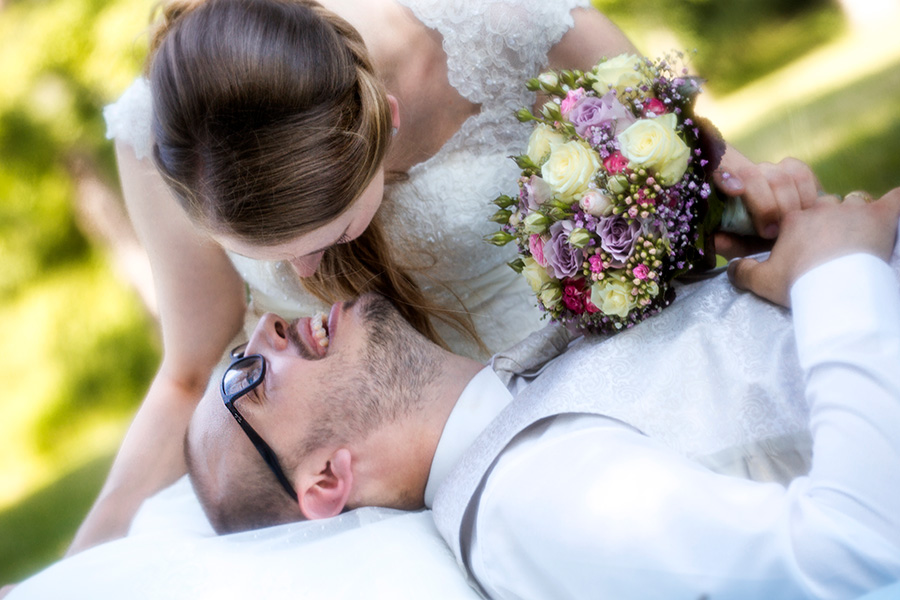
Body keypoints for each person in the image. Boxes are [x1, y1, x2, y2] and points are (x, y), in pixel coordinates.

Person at [75, 0, 822, 557]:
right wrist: (85, 559)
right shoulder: (169, 142)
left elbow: (693, 188)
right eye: (267, 254)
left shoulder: (498, 18)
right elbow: (190, 371)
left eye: (327, 237)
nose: (303, 279)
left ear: (387, 120)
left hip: (612, 399)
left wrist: (775, 218)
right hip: (399, 484)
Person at [185, 190, 900, 598]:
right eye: (244, 381)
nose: (268, 327)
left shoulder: (524, 413)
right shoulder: (526, 505)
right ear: (326, 478)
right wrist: (835, 274)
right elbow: (848, 554)